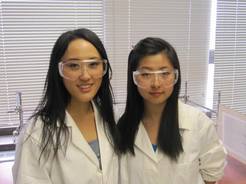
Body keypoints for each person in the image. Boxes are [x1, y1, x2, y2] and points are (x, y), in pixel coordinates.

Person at [12, 28, 120, 184]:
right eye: (74, 66)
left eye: (93, 64)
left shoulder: (112, 118)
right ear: (59, 71)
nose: (85, 75)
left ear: (103, 68)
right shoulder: (36, 133)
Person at [117, 37, 226, 184]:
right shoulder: (119, 125)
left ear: (175, 75)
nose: (156, 84)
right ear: (134, 79)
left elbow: (212, 173)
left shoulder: (198, 123)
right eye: (146, 74)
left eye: (164, 73)